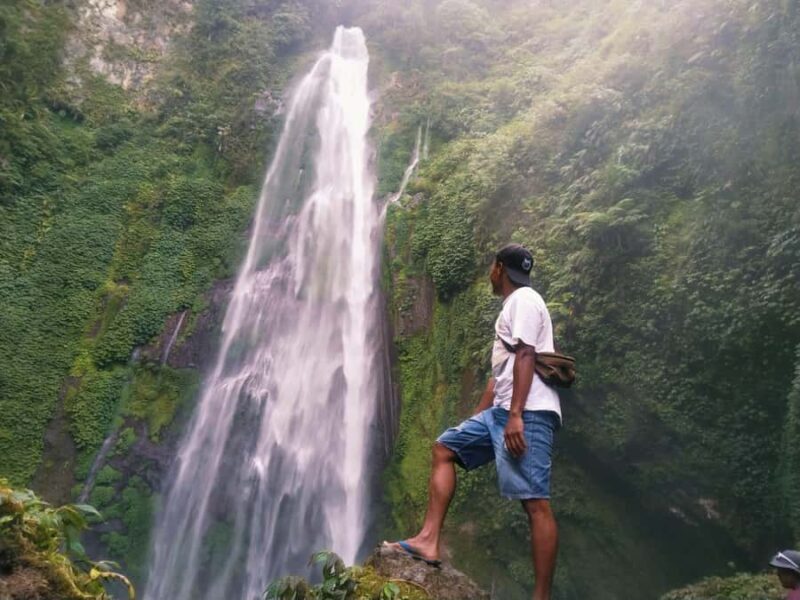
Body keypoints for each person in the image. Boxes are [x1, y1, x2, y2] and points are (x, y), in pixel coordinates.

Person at [385, 243, 562, 600]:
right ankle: (428, 541)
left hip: (528, 412)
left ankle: (540, 596)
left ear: (499, 269)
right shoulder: (511, 308)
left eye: (492, 268)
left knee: (535, 503)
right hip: (502, 411)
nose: (490, 274)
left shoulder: (525, 301)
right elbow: (499, 376)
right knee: (445, 448)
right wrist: (479, 419)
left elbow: (527, 354)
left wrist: (515, 416)